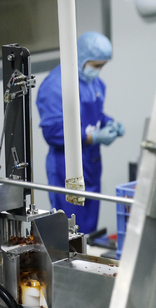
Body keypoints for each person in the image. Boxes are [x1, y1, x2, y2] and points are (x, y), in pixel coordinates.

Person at [37, 31, 125, 234]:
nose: (98, 71)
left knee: (88, 228)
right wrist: (93, 137)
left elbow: (95, 115)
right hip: (66, 169)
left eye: (102, 66)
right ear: (81, 57)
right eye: (96, 65)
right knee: (69, 229)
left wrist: (110, 123)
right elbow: (53, 132)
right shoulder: (55, 86)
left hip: (91, 165)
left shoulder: (93, 82)